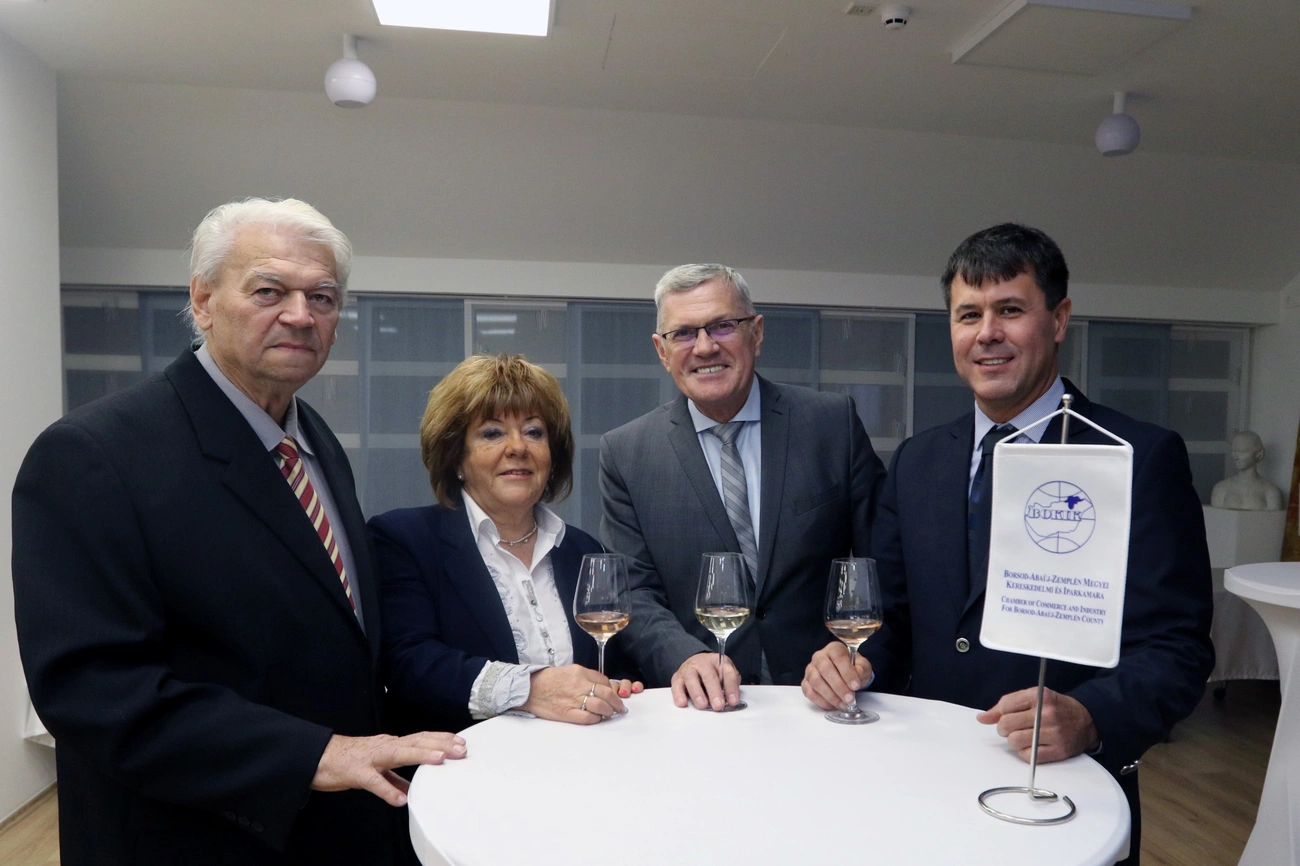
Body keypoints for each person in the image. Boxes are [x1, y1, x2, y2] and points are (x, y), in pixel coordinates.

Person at [12, 198, 464, 866]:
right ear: (202, 301)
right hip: (197, 838)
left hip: (338, 827)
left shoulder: (313, 440)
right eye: (269, 291)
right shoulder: (92, 454)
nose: (301, 315)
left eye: (322, 297)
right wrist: (313, 754)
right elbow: (93, 691)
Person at [801, 223, 1214, 862]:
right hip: (925, 784)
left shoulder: (1137, 456)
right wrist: (851, 661)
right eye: (969, 315)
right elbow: (892, 619)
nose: (987, 333)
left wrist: (1091, 715)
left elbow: (1178, 647)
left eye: (1011, 310)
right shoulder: (915, 461)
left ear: (1059, 319)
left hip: (1064, 795)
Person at [600, 263, 885, 711]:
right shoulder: (626, 452)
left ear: (756, 333)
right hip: (702, 709)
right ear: (661, 350)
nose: (705, 347)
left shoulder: (833, 425)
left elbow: (886, 566)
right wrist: (683, 655)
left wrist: (857, 656)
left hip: (823, 702)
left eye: (723, 326)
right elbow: (633, 591)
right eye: (684, 333)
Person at [370, 354, 642, 736]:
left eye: (534, 432)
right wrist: (529, 689)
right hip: (464, 763)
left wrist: (618, 685)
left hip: (581, 759)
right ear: (456, 458)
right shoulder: (404, 539)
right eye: (492, 433)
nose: (518, 447)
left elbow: (616, 660)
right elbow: (410, 663)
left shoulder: (582, 549)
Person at [1211, 430, 1284, 510]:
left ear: (1258, 454)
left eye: (1242, 452)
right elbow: (1216, 516)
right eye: (1234, 452)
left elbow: (1273, 517)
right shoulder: (1221, 488)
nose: (1235, 457)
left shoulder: (1271, 492)